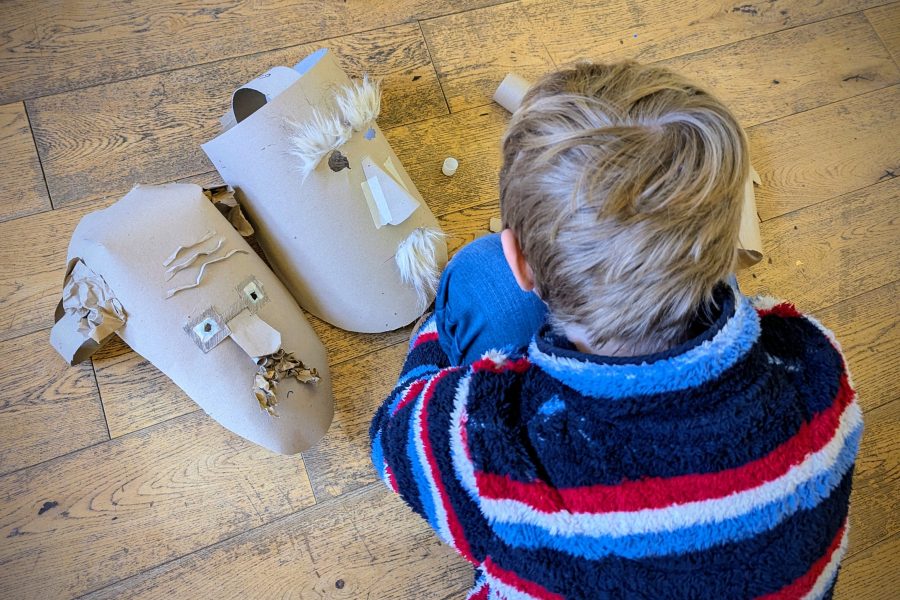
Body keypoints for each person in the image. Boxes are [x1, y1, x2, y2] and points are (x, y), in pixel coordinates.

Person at [369, 61, 860, 599]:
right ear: (725, 247)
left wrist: (436, 339)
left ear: (523, 263)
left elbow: (391, 435)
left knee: (477, 278)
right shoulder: (815, 363)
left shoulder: (490, 439)